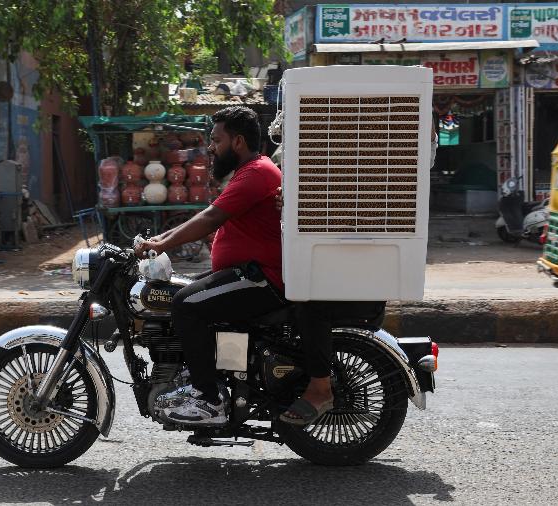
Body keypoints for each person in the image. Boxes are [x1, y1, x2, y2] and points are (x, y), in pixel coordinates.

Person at [276, 108, 441, 425]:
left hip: (361, 282)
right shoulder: (330, 168)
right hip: (349, 269)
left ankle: (320, 388)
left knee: (308, 307)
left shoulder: (396, 170)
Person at [134, 106, 285, 426]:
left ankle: (208, 398)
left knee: (185, 304)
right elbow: (211, 215)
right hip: (246, 273)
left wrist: (160, 245)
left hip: (262, 278)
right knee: (181, 291)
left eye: (216, 140)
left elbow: (211, 218)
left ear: (238, 141)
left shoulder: (258, 172)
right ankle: (200, 378)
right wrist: (157, 240)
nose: (211, 148)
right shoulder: (250, 171)